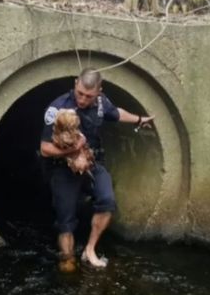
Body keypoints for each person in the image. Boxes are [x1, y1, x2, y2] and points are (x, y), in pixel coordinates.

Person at [39, 68, 154, 269]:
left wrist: (139, 119)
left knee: (107, 200)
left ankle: (89, 249)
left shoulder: (101, 103)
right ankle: (67, 258)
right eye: (80, 93)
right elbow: (45, 149)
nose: (83, 100)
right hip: (62, 167)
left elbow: (115, 113)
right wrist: (74, 150)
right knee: (66, 219)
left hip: (92, 161)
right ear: (76, 83)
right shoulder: (58, 109)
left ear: (99, 91)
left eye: (89, 96)